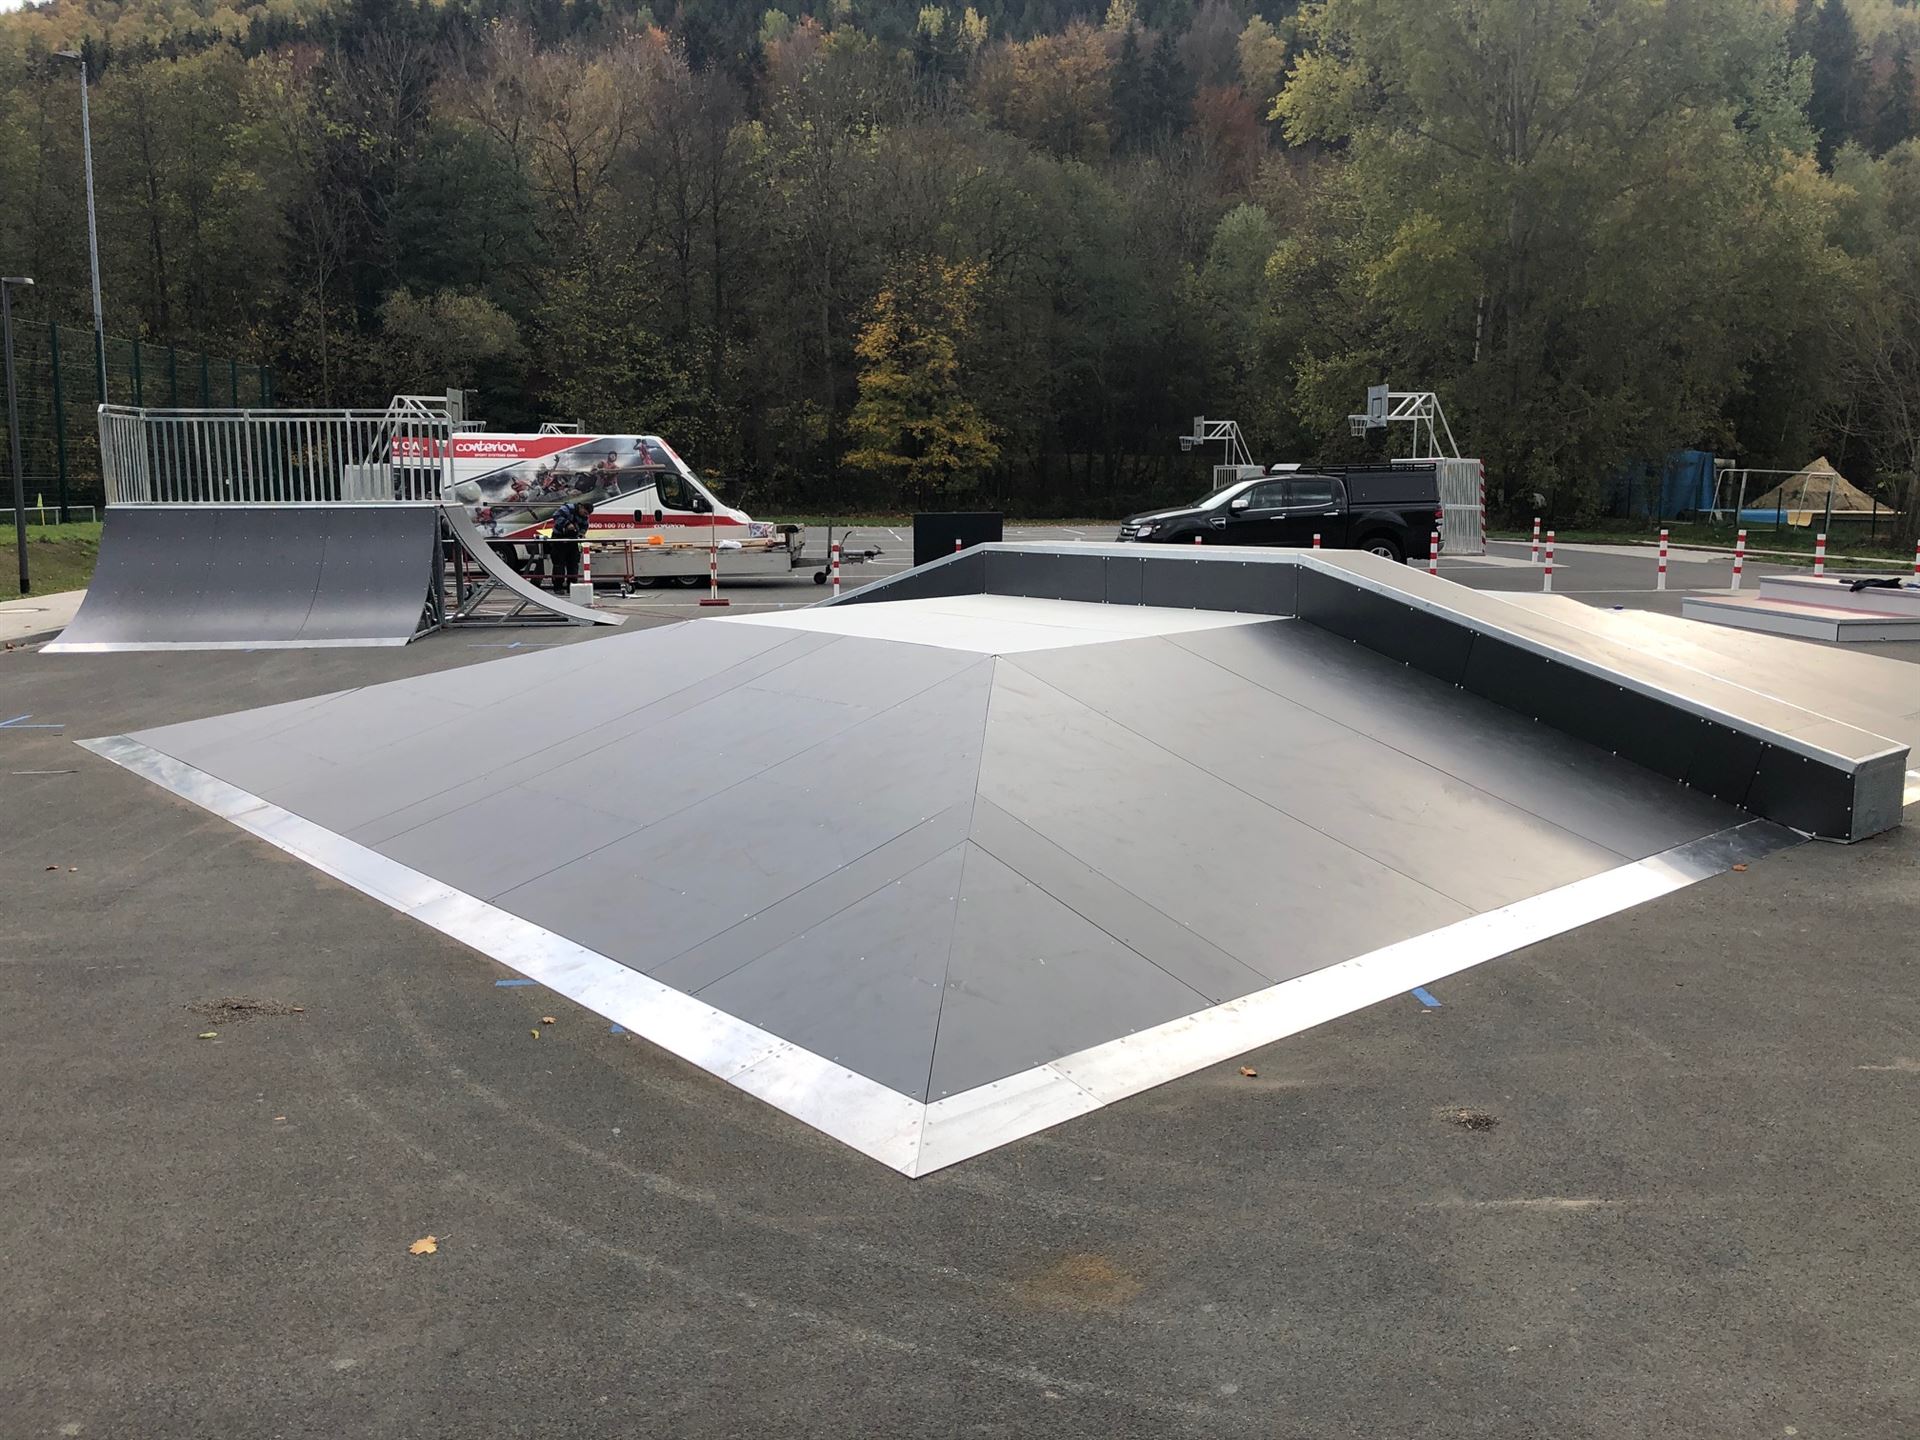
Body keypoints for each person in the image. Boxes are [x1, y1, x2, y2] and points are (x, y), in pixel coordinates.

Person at [547, 499, 594, 592]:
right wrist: (567, 524)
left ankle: (572, 587)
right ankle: (558, 587)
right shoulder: (568, 508)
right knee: (559, 564)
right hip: (559, 538)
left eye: (587, 514)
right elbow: (556, 516)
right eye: (585, 513)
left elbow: (584, 526)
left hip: (573, 540)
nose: (585, 515)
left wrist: (581, 533)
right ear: (581, 507)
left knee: (573, 563)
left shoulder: (585, 517)